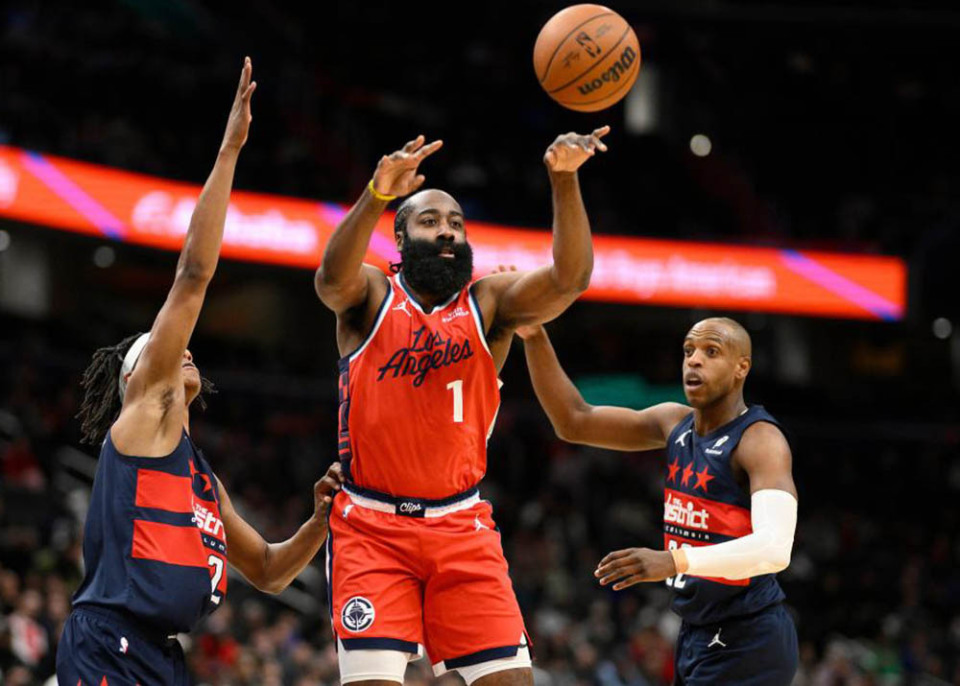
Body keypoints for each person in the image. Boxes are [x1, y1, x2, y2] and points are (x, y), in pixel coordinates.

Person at [57, 58, 343, 686]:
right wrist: (230, 150)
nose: (178, 350)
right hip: (109, 642)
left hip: (161, 656)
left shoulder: (202, 479)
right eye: (156, 350)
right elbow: (193, 275)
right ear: (136, 379)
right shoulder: (143, 419)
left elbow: (269, 570)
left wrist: (318, 523)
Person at [314, 127, 609, 685]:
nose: (447, 231)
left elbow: (571, 280)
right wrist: (376, 194)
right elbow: (330, 279)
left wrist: (564, 180)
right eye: (430, 221)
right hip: (372, 529)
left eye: (455, 223)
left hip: (461, 526)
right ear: (400, 238)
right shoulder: (372, 295)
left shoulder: (489, 303)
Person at [518, 317, 799, 685]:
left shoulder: (760, 440)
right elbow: (573, 421)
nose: (694, 360)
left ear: (741, 367)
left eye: (711, 352)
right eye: (688, 351)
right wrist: (534, 336)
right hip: (696, 633)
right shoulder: (673, 422)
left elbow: (775, 549)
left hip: (749, 637)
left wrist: (673, 561)